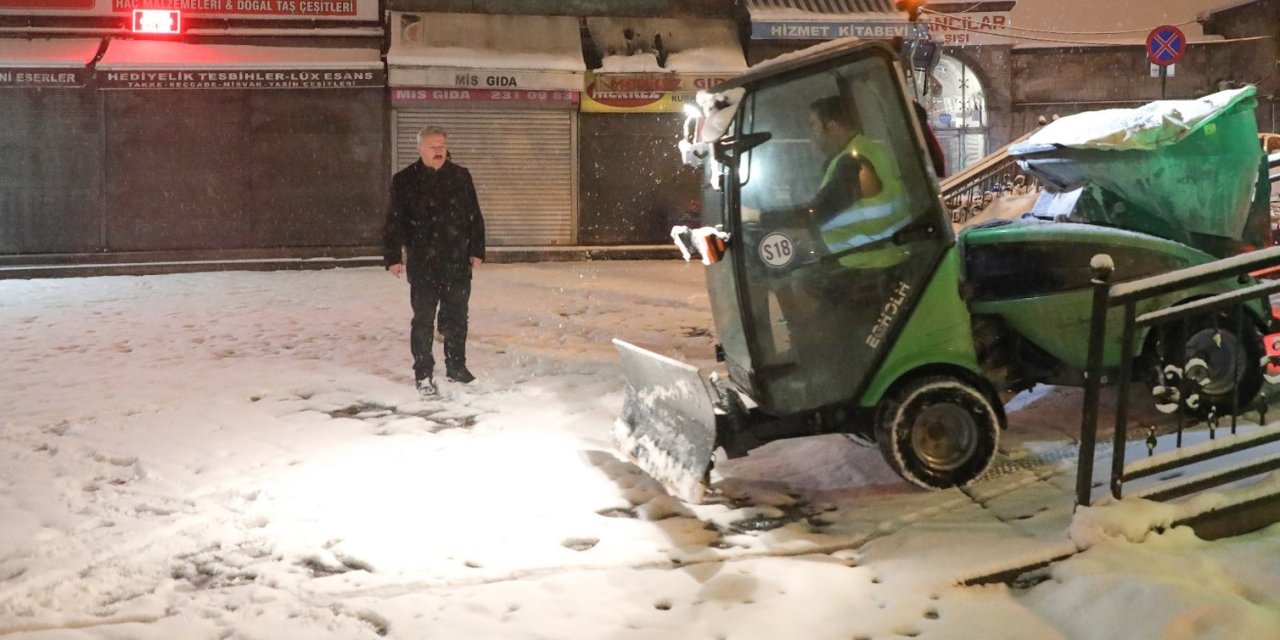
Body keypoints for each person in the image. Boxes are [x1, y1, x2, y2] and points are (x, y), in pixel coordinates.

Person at [384, 126, 486, 397]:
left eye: (441, 145)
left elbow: (474, 215)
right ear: (419, 149)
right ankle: (423, 372)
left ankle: (456, 367)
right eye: (432, 146)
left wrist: (477, 250)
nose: (438, 150)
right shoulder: (404, 180)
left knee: (456, 318)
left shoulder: (460, 176)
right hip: (423, 262)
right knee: (424, 319)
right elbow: (394, 220)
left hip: (456, 260)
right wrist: (393, 256)